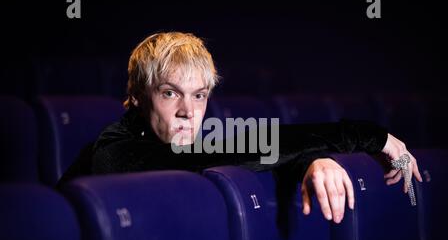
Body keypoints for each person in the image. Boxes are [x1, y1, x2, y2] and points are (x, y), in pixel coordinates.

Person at [58, 31, 423, 224]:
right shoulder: (112, 150)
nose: (188, 111)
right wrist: (369, 136)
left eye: (199, 95)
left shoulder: (191, 142)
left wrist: (313, 161)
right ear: (137, 96)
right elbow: (237, 147)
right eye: (170, 93)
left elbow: (245, 151)